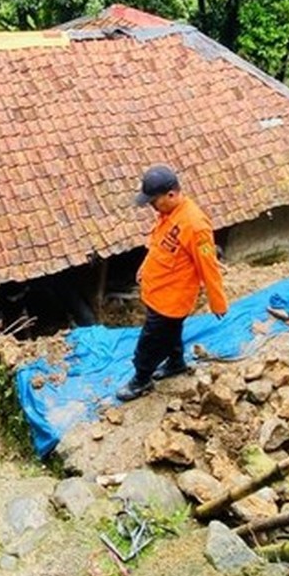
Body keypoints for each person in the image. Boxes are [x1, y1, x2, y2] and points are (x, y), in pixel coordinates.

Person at [116, 165, 229, 401]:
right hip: (157, 289)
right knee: (171, 332)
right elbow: (159, 245)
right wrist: (145, 267)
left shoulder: (195, 225)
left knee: (151, 340)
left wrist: (217, 302)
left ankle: (141, 380)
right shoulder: (167, 215)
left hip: (172, 299)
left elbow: (208, 266)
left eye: (153, 201)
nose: (151, 206)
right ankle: (176, 362)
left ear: (171, 195)